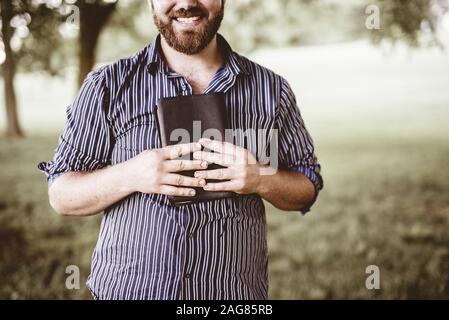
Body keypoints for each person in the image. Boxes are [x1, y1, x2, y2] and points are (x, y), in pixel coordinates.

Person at [38, 0, 323, 300]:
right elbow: (61, 194)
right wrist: (131, 175)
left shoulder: (271, 90)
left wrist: (261, 179)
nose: (187, 3)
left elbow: (307, 183)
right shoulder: (107, 86)